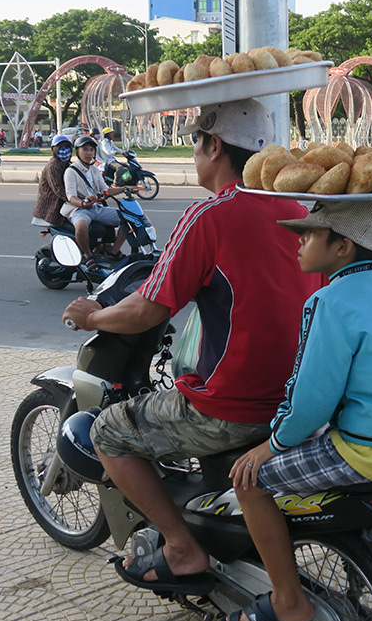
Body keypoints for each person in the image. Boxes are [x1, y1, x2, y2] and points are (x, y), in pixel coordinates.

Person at [61, 99, 324, 595]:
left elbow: (148, 310)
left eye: (196, 146)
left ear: (215, 146)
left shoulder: (210, 214)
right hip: (298, 397)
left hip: (234, 405)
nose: (195, 156)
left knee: (110, 432)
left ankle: (181, 547)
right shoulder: (298, 209)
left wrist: (92, 315)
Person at [216, 199, 372, 621]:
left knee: (249, 480)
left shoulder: (328, 300)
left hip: (371, 453)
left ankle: (286, 600)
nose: (299, 243)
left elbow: (310, 404)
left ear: (342, 246)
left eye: (309, 234)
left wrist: (270, 445)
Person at [64, 134, 132, 270]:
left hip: (96, 208)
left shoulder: (94, 170)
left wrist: (126, 188)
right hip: (79, 209)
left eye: (91, 150)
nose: (89, 153)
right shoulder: (70, 171)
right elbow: (71, 197)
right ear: (77, 151)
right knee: (81, 225)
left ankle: (113, 252)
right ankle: (88, 255)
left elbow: (106, 191)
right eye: (85, 149)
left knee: (129, 218)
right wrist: (83, 203)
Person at [33, 134, 73, 226]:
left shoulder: (66, 164)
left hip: (64, 204)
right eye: (61, 148)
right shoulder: (53, 166)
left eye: (67, 147)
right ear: (54, 150)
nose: (65, 150)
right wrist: (74, 200)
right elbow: (58, 189)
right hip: (52, 208)